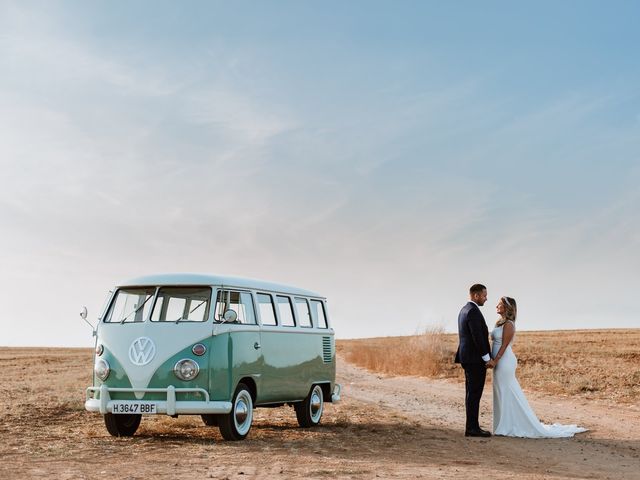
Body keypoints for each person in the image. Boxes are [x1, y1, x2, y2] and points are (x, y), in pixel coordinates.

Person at [491, 296, 587, 437]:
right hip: (498, 361)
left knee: (506, 390)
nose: (496, 306)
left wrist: (495, 360)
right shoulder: (499, 323)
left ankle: (509, 425)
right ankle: (503, 424)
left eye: (499, 304)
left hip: (504, 361)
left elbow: (504, 346)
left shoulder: (509, 325)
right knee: (500, 390)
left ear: (507, 307)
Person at [455, 284, 495, 437]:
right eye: (484, 295)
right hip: (474, 359)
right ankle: (472, 428)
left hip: (468, 358)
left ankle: (471, 426)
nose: (486, 298)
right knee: (474, 394)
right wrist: (487, 358)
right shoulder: (473, 311)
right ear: (476, 295)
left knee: (471, 393)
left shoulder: (464, 310)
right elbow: (477, 337)